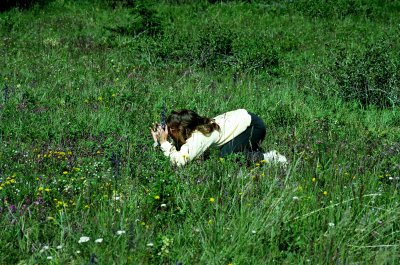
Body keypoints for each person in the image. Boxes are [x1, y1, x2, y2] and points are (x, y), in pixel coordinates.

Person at [149, 109, 287, 167]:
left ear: (182, 128)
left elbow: (179, 161)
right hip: (245, 121)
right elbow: (182, 150)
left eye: (171, 129)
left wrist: (164, 143)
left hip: (252, 126)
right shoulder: (192, 132)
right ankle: (253, 155)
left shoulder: (199, 136)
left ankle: (271, 157)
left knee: (226, 156)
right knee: (231, 152)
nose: (169, 133)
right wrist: (158, 143)